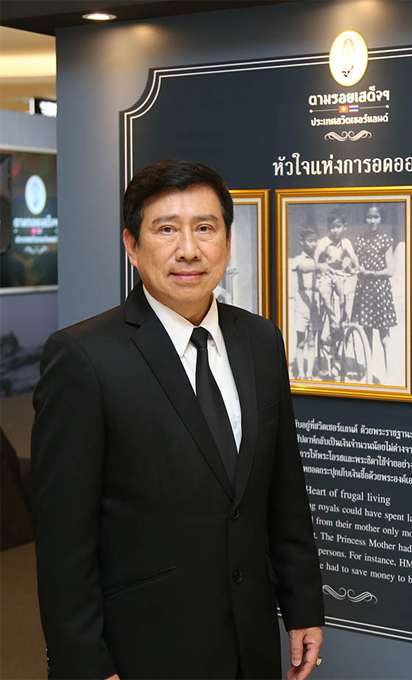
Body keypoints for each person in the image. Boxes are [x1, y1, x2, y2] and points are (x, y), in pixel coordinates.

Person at [31, 159, 324, 680]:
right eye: (166, 229)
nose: (188, 249)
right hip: (144, 649)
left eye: (205, 228)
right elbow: (62, 541)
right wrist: (86, 665)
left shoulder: (260, 340)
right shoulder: (83, 358)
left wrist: (302, 605)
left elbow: (283, 491)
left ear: (227, 242)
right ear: (131, 245)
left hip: (250, 639)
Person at [351, 203, 397, 382]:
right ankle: (368, 374)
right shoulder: (360, 240)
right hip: (364, 290)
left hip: (380, 290)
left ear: (381, 218)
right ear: (365, 218)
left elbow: (390, 270)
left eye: (376, 217)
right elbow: (355, 264)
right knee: (366, 335)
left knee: (384, 336)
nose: (372, 220)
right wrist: (356, 269)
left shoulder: (385, 240)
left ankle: (389, 376)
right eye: (369, 217)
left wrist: (372, 273)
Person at [314, 210, 359, 349]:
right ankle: (333, 321)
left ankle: (342, 321)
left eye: (338, 226)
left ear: (344, 227)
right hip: (326, 274)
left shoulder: (346, 242)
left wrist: (356, 267)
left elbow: (353, 255)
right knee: (325, 295)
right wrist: (318, 266)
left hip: (339, 273)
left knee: (343, 294)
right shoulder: (324, 241)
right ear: (328, 228)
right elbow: (317, 254)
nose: (335, 230)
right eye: (332, 227)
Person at [291, 228, 319, 380]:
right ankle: (301, 373)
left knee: (312, 340)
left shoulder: (319, 258)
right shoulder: (298, 259)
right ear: (302, 242)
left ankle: (309, 373)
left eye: (315, 240)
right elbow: (302, 269)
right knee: (301, 339)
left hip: (316, 301)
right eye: (310, 240)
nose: (313, 244)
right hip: (302, 302)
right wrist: (319, 266)